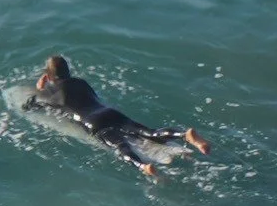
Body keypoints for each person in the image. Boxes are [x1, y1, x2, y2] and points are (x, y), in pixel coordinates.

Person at [28, 56, 209, 176]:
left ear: (48, 76)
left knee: (120, 146)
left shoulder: (47, 94)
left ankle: (143, 167)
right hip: (108, 112)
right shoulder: (80, 82)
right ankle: (184, 134)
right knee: (149, 132)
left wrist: (40, 89)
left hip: (93, 124)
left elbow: (29, 106)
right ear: (68, 72)